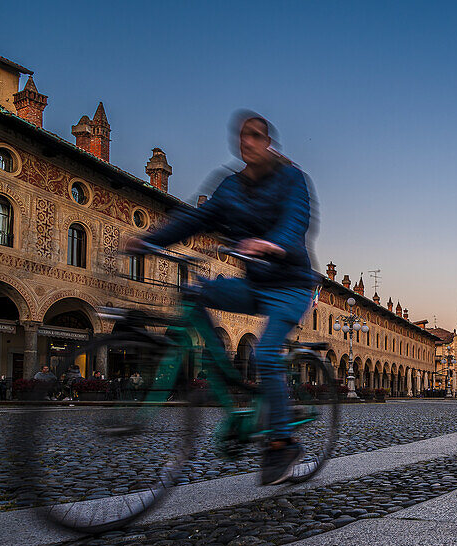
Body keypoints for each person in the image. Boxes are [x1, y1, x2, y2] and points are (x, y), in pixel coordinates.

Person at [127, 112, 316, 485]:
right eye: (242, 136)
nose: (248, 141)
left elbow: (296, 222)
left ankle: (282, 443)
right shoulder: (229, 187)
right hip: (255, 286)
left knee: (264, 352)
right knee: (197, 293)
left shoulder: (292, 178)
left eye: (256, 135)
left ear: (268, 143)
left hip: (291, 285)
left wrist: (271, 243)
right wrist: (151, 240)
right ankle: (230, 375)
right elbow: (196, 219)